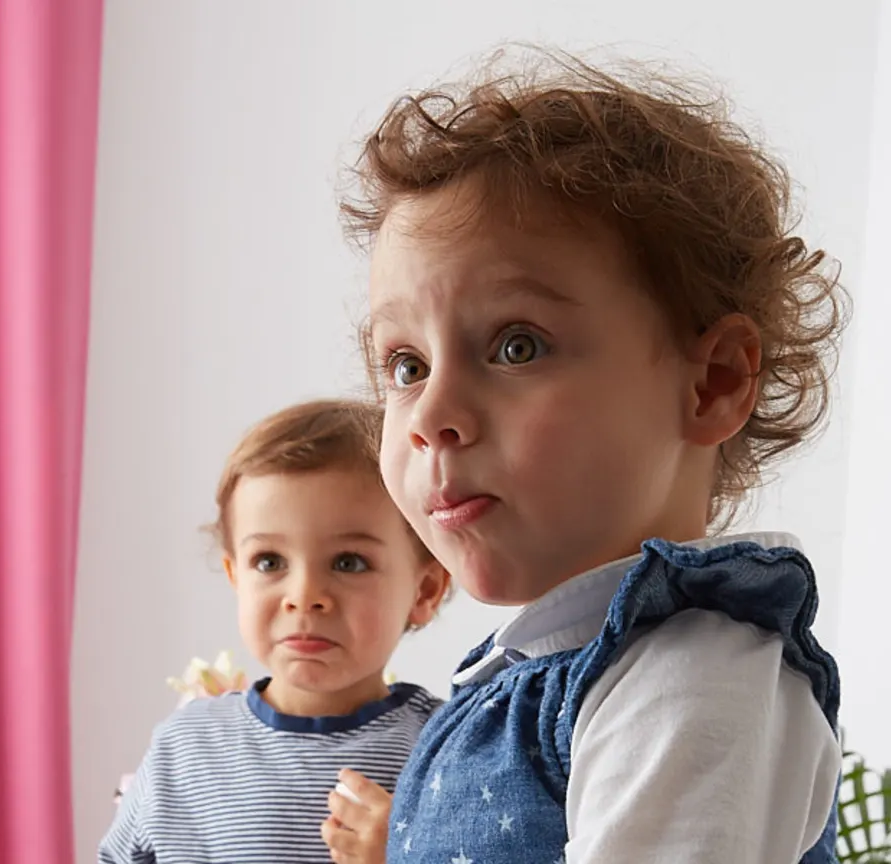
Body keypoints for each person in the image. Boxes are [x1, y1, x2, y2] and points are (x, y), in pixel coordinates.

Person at [344, 46, 847, 863]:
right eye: (407, 366)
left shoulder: (696, 676)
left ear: (713, 383)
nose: (430, 415)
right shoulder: (550, 667)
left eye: (515, 347)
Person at [98, 399, 451, 864]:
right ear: (235, 576)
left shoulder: (447, 748)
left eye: (349, 562)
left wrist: (408, 855)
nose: (304, 596)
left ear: (424, 590)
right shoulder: (183, 748)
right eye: (269, 562)